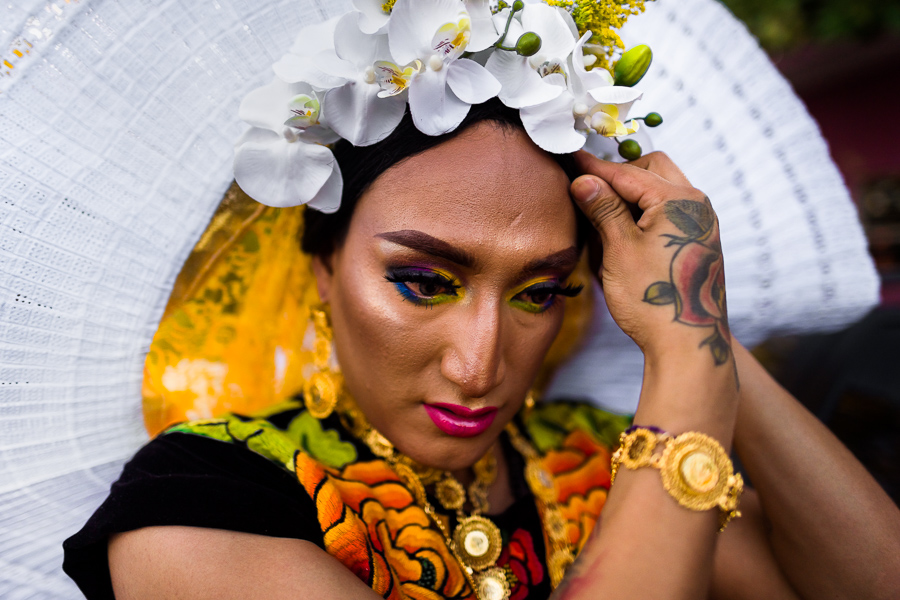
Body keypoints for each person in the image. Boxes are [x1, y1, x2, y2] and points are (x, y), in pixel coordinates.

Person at [62, 2, 900, 599]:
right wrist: (687, 369)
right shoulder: (199, 504)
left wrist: (693, 324)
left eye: (541, 290)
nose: (480, 363)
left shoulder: (593, 457)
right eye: (423, 282)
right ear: (320, 264)